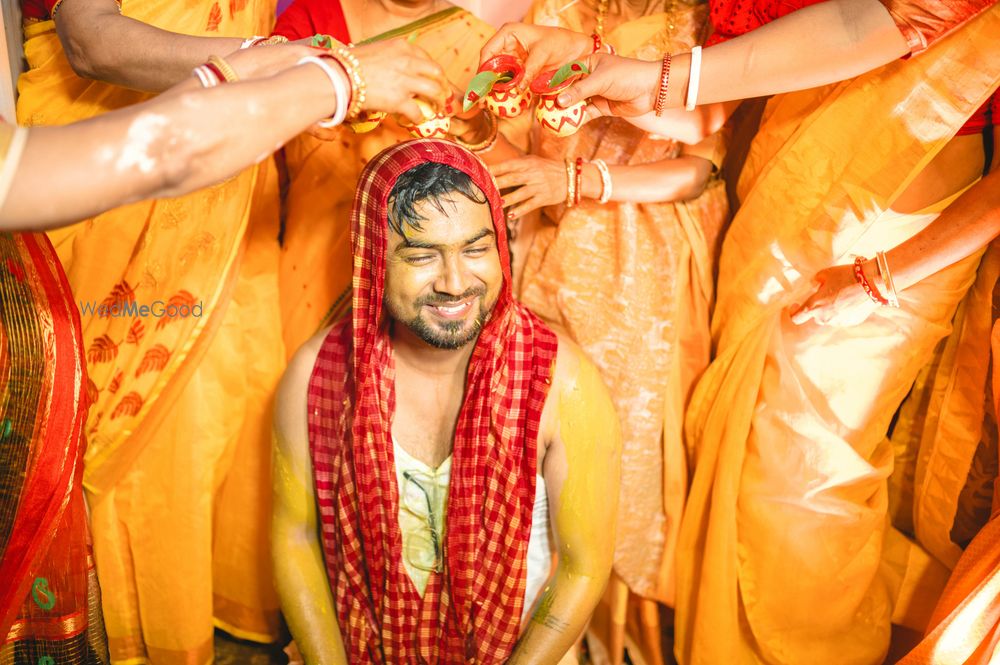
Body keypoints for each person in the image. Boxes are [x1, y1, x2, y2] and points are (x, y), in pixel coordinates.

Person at [16, 0, 451, 654]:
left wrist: (298, 73)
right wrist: (318, 75)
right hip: (103, 141)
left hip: (235, 160)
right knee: (147, 433)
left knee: (238, 408)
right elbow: (90, 41)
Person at [272, 138, 621, 664]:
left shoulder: (562, 385)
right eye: (421, 255)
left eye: (476, 249)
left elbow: (584, 570)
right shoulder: (317, 376)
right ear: (372, 261)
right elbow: (295, 539)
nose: (456, 283)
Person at [490, 2, 730, 663]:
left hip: (641, 253)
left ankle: (609, 632)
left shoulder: (705, 19)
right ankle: (536, 618)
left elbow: (701, 166)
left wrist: (579, 172)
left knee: (617, 441)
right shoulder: (561, 6)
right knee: (533, 433)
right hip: (546, 232)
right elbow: (517, 114)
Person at [270, 0, 522, 360]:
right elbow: (259, 145)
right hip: (311, 262)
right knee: (311, 385)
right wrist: (340, 86)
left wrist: (471, 124)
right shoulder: (314, 19)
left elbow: (519, 188)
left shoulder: (484, 48)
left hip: (440, 287)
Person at [478, 0, 994, 129]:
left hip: (884, 184)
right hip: (775, 162)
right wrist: (624, 76)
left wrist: (653, 80)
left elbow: (868, 23)